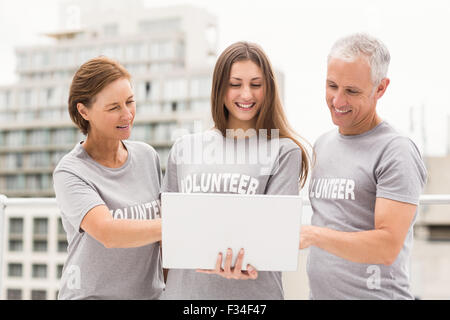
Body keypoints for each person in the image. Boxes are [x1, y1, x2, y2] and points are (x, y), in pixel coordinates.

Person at [161, 41, 311, 299]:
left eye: (255, 84)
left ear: (269, 89)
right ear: (220, 89)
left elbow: (277, 237)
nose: (246, 94)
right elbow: (166, 236)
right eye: (235, 84)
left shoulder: (283, 151)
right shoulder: (185, 148)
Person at [300, 33, 428, 299]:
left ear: (380, 88)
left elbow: (387, 246)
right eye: (332, 86)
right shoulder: (321, 145)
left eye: (351, 91)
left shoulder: (396, 150)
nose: (337, 101)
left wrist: (314, 236)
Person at [53, 56, 164, 299]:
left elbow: (162, 245)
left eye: (130, 102)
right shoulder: (70, 171)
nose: (127, 115)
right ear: (84, 111)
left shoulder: (147, 157)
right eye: (114, 107)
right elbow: (108, 233)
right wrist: (177, 227)